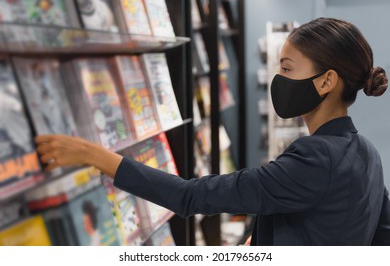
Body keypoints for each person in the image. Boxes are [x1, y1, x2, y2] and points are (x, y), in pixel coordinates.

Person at [35, 17, 390, 245]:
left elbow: (189, 197)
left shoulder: (315, 157)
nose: (278, 79)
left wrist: (91, 155)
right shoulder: (367, 154)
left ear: (327, 80)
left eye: (287, 67)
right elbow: (379, 236)